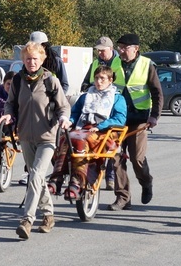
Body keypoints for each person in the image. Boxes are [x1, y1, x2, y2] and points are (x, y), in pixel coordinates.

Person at [0, 42, 71, 239]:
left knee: (36, 175)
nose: (31, 62)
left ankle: (27, 220)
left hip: (47, 136)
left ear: (43, 59)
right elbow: (11, 104)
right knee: (36, 177)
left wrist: (64, 118)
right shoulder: (18, 81)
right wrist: (8, 115)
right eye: (28, 58)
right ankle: (48, 215)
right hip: (25, 136)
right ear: (23, 60)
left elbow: (64, 106)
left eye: (35, 59)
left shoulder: (50, 80)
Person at [48, 66, 127, 200]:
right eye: (96, 78)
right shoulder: (86, 96)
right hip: (83, 128)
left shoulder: (117, 98)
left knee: (80, 140)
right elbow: (75, 113)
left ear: (110, 80)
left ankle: (77, 182)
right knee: (65, 138)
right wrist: (69, 121)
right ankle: (57, 178)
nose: (99, 82)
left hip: (105, 131)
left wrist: (101, 126)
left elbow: (120, 118)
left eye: (102, 78)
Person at [107, 33, 163, 211]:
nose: (121, 51)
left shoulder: (147, 65)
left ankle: (146, 182)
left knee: (137, 159)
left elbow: (157, 93)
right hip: (117, 118)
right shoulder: (114, 64)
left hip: (139, 119)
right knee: (115, 158)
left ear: (136, 49)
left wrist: (154, 116)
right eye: (120, 48)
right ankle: (123, 197)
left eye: (125, 48)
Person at [18, 31, 70, 186]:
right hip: (33, 114)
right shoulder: (28, 62)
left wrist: (55, 101)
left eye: (41, 45)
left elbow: (64, 84)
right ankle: (32, 175)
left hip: (52, 112)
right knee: (32, 148)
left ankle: (57, 175)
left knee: (52, 150)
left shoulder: (56, 61)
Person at [80, 36, 122, 190]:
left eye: (103, 51)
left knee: (111, 145)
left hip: (115, 105)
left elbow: (125, 83)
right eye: (98, 50)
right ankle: (85, 173)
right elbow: (86, 82)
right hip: (95, 106)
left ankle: (110, 178)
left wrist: (112, 95)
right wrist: (87, 91)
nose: (100, 53)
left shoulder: (120, 62)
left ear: (111, 49)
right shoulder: (96, 63)